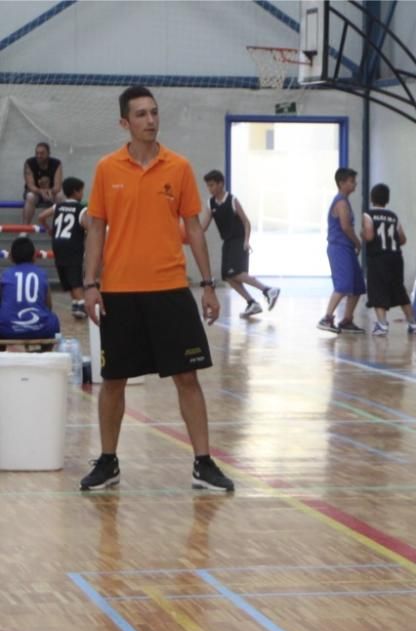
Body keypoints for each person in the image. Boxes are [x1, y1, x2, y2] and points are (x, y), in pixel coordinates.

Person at [80, 85, 233, 492]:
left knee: (188, 377)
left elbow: (195, 232)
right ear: (124, 123)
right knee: (113, 381)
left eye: (154, 112)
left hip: (169, 289)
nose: (150, 120)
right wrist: (90, 284)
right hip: (119, 291)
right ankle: (109, 462)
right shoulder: (106, 169)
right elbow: (95, 228)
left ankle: (203, 463)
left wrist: (208, 285)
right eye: (141, 114)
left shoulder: (178, 167)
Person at [201, 170, 280, 318]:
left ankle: (268, 290)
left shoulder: (232, 200)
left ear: (220, 184)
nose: (210, 189)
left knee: (237, 274)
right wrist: (188, 233)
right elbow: (203, 227)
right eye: (208, 186)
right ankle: (252, 303)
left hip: (238, 241)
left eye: (212, 185)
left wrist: (246, 241)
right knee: (229, 277)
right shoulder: (210, 203)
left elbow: (246, 222)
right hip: (227, 243)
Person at [362, 183, 416, 336]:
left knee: (377, 290)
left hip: (378, 258)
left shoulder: (368, 215)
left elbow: (369, 236)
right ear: (387, 199)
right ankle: (413, 323)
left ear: (371, 198)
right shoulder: (393, 216)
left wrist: (362, 235)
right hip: (395, 258)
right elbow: (402, 239)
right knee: (399, 290)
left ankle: (382, 324)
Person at [318, 167, 365, 334]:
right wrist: (358, 242)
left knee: (358, 285)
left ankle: (347, 320)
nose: (355, 184)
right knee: (343, 285)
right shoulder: (340, 202)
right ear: (341, 183)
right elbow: (345, 226)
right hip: (339, 248)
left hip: (347, 248)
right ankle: (327, 318)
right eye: (352, 181)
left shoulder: (345, 201)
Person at [38, 177, 89, 319]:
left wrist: (49, 229)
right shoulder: (81, 209)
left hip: (58, 244)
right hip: (72, 245)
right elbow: (89, 226)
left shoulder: (58, 206)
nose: (82, 194)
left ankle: (75, 303)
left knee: (65, 275)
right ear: (76, 192)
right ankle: (82, 304)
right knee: (75, 276)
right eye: (82, 191)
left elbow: (41, 217)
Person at [0, 237, 60, 342]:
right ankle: (44, 352)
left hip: (8, 330)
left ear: (11, 257)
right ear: (34, 257)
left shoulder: (5, 275)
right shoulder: (41, 274)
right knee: (54, 320)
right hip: (41, 329)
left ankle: (4, 354)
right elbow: (49, 306)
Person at [22, 142, 64, 226]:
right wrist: (41, 192)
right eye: (37, 153)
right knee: (30, 196)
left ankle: (59, 227)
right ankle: (25, 229)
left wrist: (50, 192)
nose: (39, 156)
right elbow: (30, 185)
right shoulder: (29, 163)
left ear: (48, 153)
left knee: (61, 196)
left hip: (51, 192)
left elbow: (57, 186)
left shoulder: (56, 163)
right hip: (35, 192)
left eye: (42, 153)